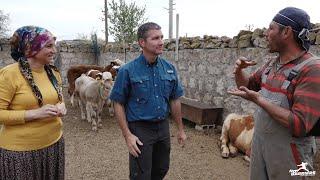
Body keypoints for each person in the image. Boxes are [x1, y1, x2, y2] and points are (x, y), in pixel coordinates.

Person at [228, 7, 319, 180]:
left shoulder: (312, 69)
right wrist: (239, 71)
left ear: (286, 32)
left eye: (271, 28)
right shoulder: (271, 65)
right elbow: (247, 85)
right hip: (262, 147)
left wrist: (259, 100)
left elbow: (300, 124)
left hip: (295, 156)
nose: (265, 33)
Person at [109, 22, 187, 180]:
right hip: (140, 129)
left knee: (162, 169)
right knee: (141, 175)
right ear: (142, 43)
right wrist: (127, 135)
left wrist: (180, 129)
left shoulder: (169, 68)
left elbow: (174, 100)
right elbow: (118, 103)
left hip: (163, 127)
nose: (161, 42)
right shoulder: (127, 70)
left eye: (162, 37)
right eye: (155, 38)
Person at [0, 26, 67, 179]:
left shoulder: (53, 72)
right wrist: (34, 114)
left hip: (54, 145)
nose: (54, 50)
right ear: (32, 48)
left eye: (54, 45)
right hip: (21, 152)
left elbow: (60, 99)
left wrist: (62, 107)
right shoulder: (9, 74)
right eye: (49, 46)